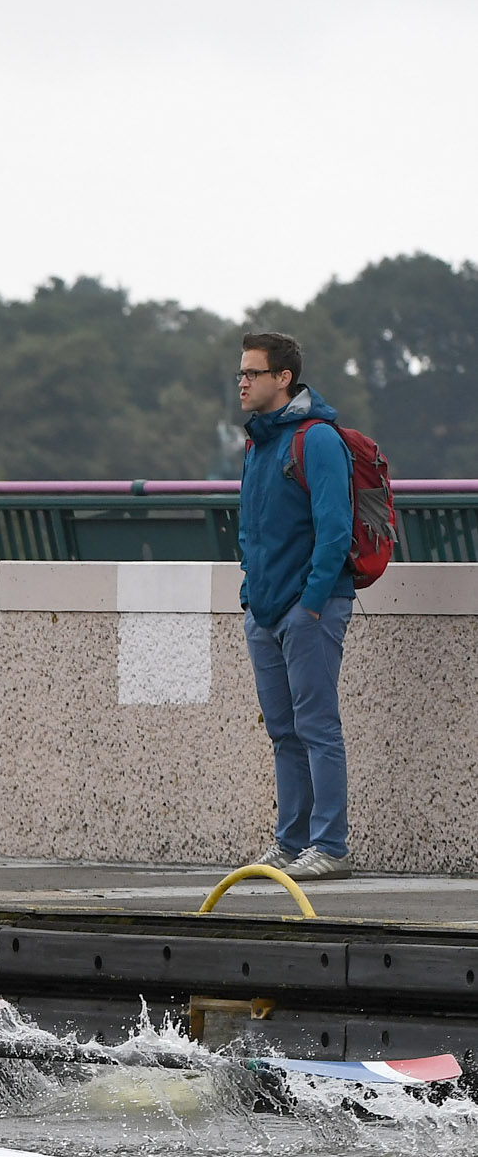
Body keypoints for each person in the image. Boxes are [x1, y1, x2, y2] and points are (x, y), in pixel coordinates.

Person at [236, 330, 357, 882]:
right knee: (283, 731)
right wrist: (250, 595)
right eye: (240, 373)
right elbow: (251, 530)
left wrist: (309, 605)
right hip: (263, 611)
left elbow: (335, 533)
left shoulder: (318, 439)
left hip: (309, 609)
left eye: (252, 373)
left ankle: (330, 846)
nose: (242, 382)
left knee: (317, 727)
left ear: (283, 378)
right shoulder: (257, 442)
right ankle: (291, 843)